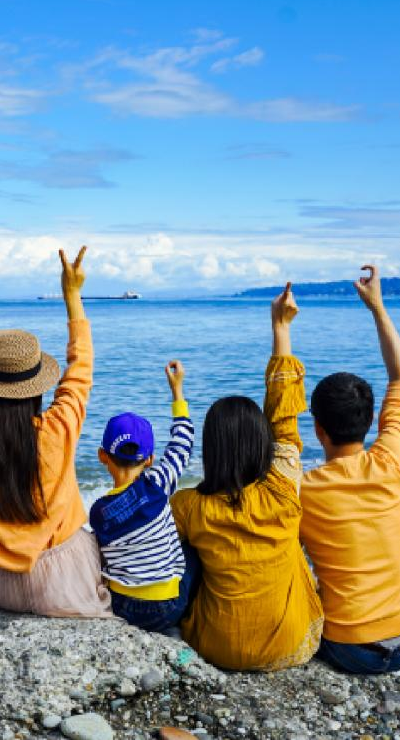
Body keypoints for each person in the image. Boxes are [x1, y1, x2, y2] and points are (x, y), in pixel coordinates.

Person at [0, 246, 112, 617]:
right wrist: (73, 296)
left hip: (2, 584)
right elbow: (81, 369)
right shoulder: (58, 428)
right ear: (37, 387)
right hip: (63, 580)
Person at [170, 283, 324, 670]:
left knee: (185, 547)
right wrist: (281, 328)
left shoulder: (189, 506)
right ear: (262, 445)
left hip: (215, 646)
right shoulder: (282, 489)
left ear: (211, 448)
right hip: (291, 646)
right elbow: (284, 421)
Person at [300, 265, 400, 674]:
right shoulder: (391, 457)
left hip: (350, 648)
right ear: (373, 419)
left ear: (318, 429)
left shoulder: (303, 488)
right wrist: (377, 307)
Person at [89, 361, 196, 633]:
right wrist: (177, 392)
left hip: (121, 605)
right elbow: (182, 443)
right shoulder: (158, 483)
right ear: (149, 460)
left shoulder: (98, 511)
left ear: (102, 456)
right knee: (192, 553)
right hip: (166, 608)